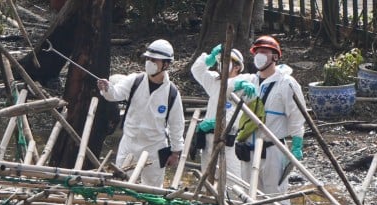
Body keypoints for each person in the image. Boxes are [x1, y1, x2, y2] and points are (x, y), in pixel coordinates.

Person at [96, 39, 185, 188]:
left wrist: (175, 152)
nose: (149, 62)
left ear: (166, 64)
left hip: (155, 148)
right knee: (121, 185)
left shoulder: (172, 93)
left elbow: (177, 125)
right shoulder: (134, 80)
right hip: (130, 143)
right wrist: (107, 88)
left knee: (152, 190)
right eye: (148, 58)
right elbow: (115, 94)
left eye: (154, 60)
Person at [240, 35, 306, 201]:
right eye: (257, 52)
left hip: (273, 150)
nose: (259, 56)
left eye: (264, 52)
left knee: (275, 196)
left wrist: (297, 143)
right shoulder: (250, 81)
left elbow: (297, 115)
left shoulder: (286, 83)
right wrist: (238, 85)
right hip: (248, 149)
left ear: (275, 56)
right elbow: (225, 90)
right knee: (249, 195)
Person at [190, 45, 257, 184]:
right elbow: (196, 70)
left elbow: (240, 106)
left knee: (233, 180)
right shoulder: (215, 80)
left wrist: (241, 85)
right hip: (208, 137)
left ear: (237, 66)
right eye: (220, 60)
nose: (221, 64)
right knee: (207, 179)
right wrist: (209, 58)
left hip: (229, 140)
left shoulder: (245, 80)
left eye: (226, 60)